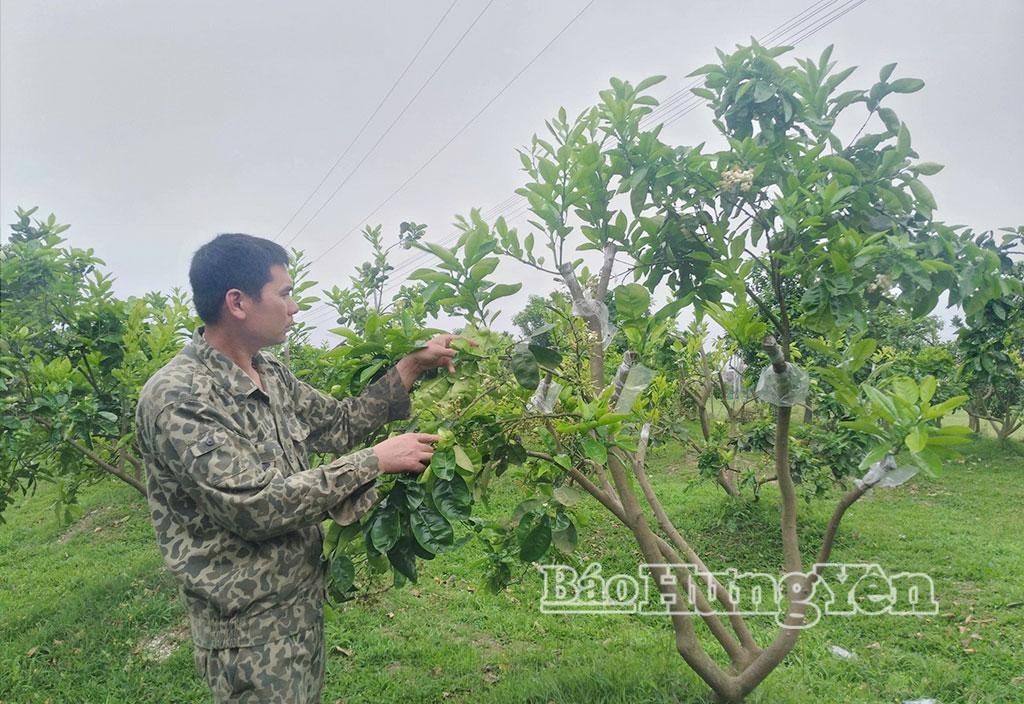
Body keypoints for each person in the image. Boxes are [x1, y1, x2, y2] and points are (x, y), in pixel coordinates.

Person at [135, 233, 458, 703]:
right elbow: (252, 506)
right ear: (237, 302)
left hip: (299, 606)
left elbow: (340, 423)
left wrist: (412, 365)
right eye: (284, 294)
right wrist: (374, 461)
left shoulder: (270, 373)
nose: (295, 307)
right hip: (248, 630)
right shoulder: (180, 396)